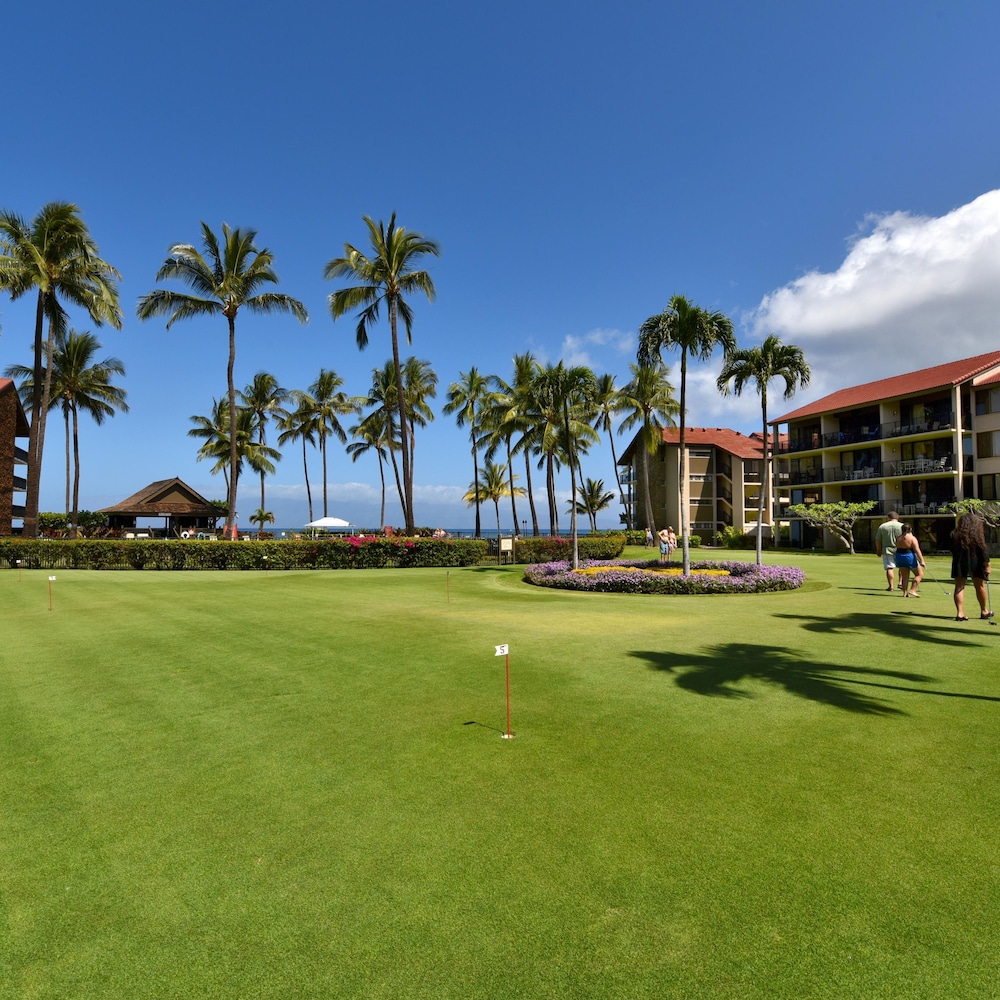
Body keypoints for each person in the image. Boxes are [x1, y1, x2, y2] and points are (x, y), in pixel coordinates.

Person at [950, 513, 993, 621]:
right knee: (980, 586)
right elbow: (983, 550)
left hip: (959, 561)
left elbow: (952, 549)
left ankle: (960, 613)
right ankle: (984, 611)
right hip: (976, 561)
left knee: (959, 586)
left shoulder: (955, 534)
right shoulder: (977, 534)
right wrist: (987, 564)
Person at [874, 510, 903, 592]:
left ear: (888, 518)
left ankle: (891, 586)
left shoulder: (883, 526)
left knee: (889, 567)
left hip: (887, 550)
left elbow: (878, 539)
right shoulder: (902, 526)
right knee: (902, 567)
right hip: (901, 549)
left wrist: (878, 549)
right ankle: (900, 583)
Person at [895, 522, 926, 597]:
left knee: (905, 576)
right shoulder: (912, 538)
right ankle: (913, 590)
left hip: (899, 556)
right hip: (909, 557)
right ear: (910, 529)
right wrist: (922, 560)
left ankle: (905, 593)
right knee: (920, 574)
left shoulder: (898, 538)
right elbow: (917, 550)